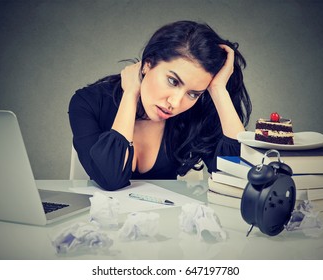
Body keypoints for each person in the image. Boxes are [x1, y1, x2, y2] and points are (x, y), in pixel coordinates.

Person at [68, 20, 252, 191]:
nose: (175, 103)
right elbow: (110, 179)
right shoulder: (88, 102)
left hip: (166, 220)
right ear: (148, 64)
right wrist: (130, 95)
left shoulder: (193, 114)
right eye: (173, 81)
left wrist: (219, 90)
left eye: (193, 93)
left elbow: (236, 175)